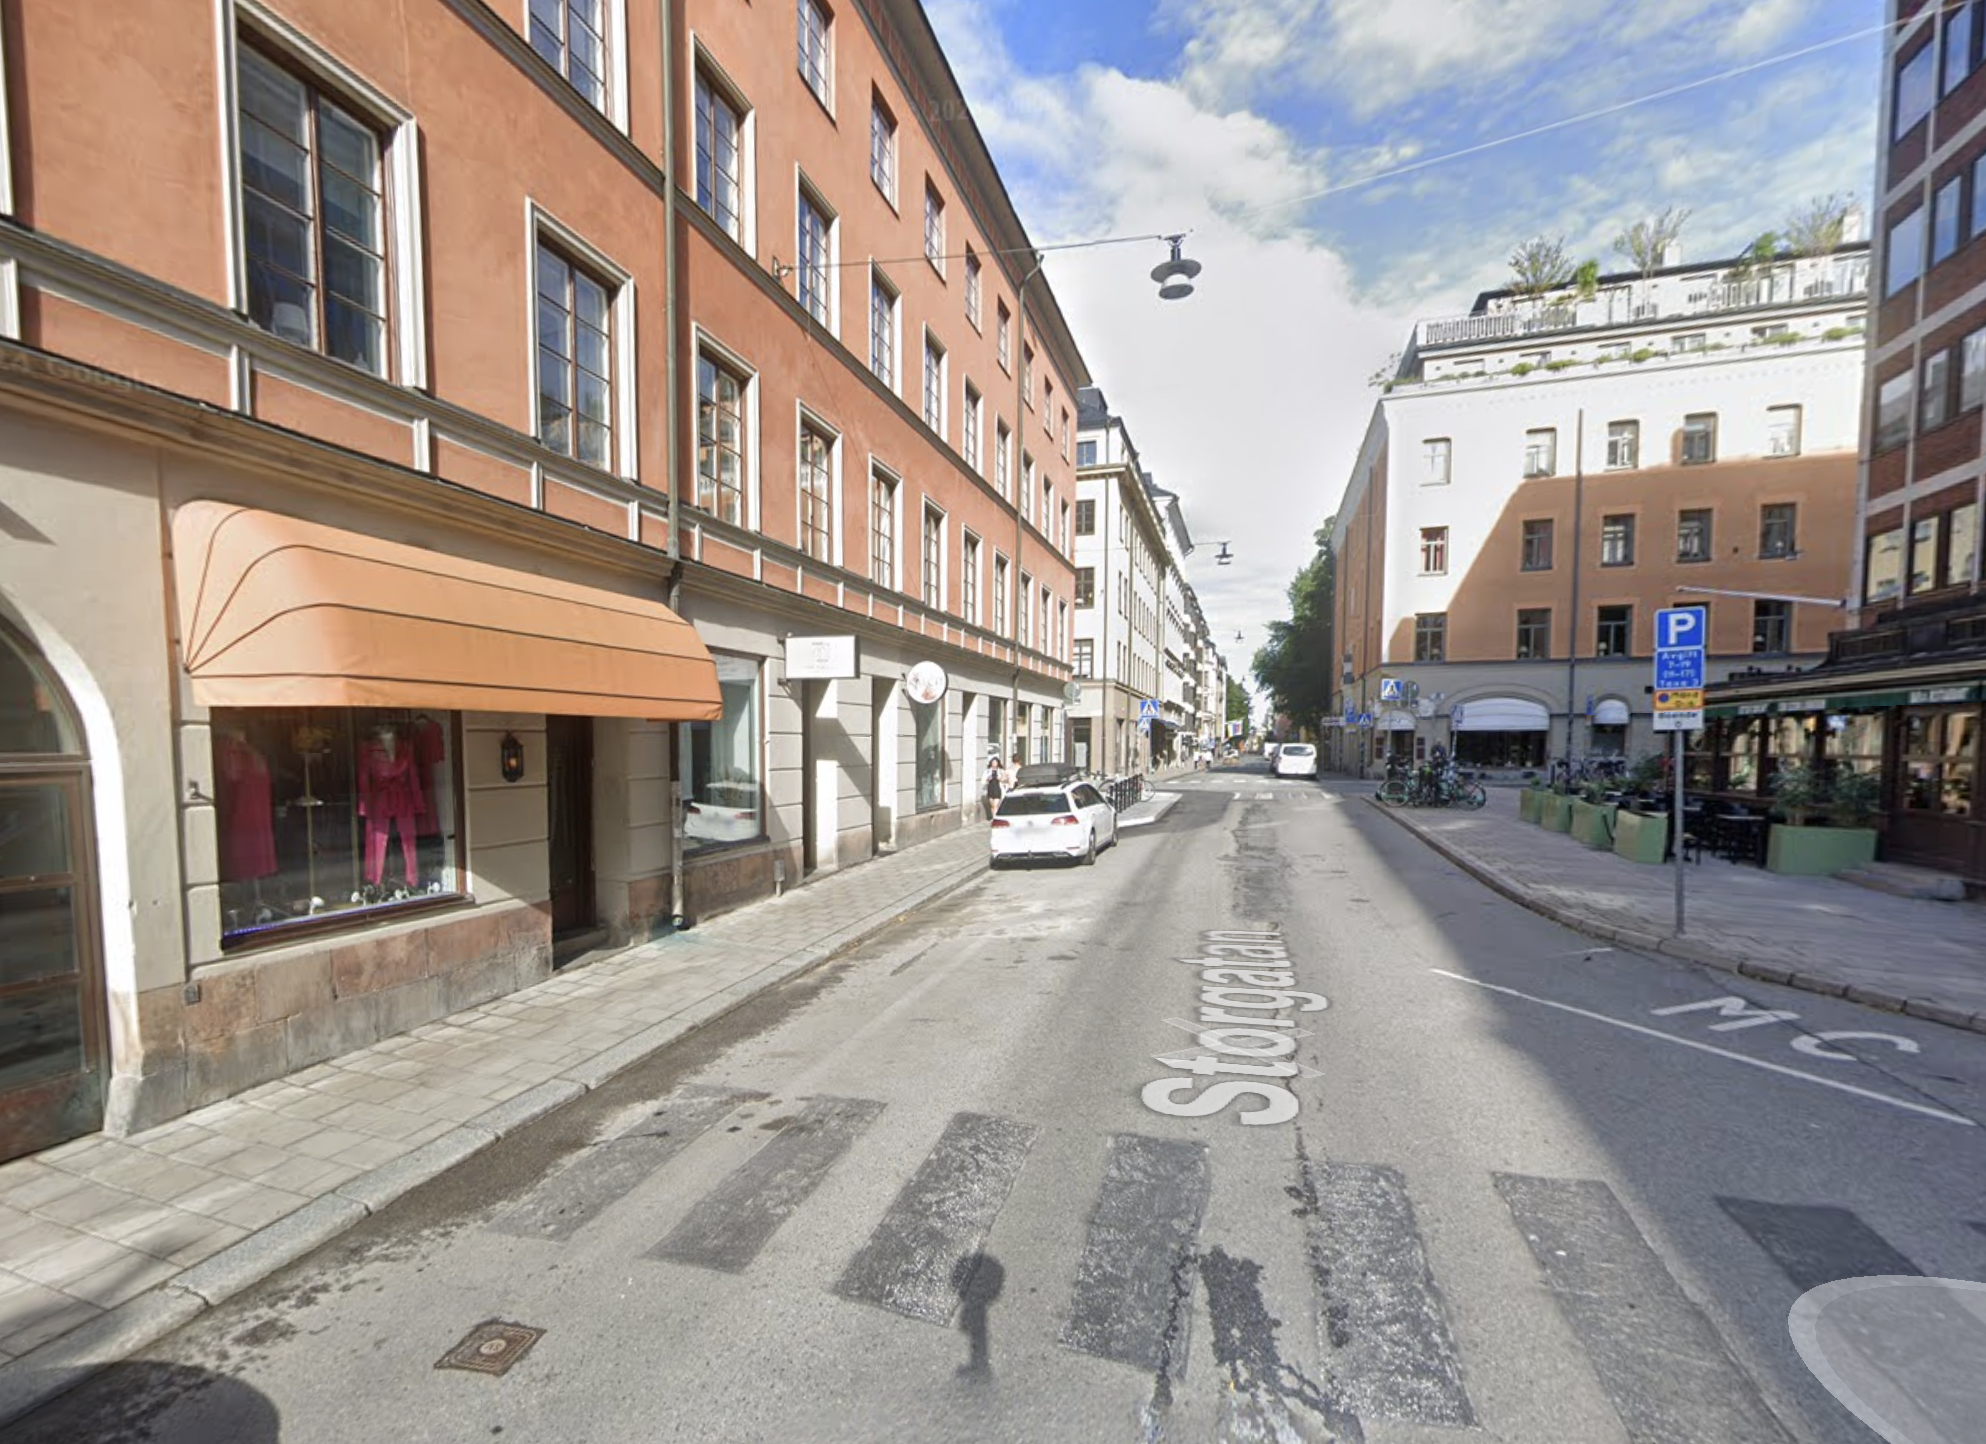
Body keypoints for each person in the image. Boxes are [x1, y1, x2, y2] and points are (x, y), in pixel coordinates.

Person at [983, 753, 1005, 819]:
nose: (994, 764)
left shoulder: (1001, 771)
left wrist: (1000, 779)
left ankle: (995, 818)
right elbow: (983, 780)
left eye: (995, 762)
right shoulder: (988, 771)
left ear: (998, 763)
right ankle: (993, 817)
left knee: (995, 805)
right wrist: (988, 779)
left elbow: (1004, 779)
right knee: (992, 806)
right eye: (993, 762)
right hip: (990, 788)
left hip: (997, 789)